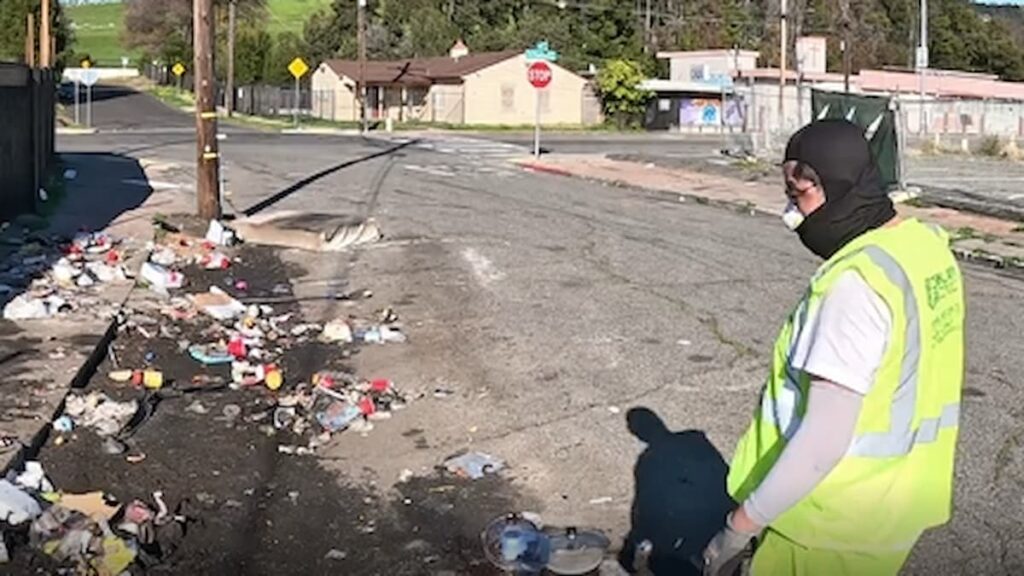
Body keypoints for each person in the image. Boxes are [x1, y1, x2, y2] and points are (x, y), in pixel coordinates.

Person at [701, 119, 965, 576]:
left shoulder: (853, 287)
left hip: (824, 528)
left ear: (839, 186)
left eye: (799, 196)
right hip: (893, 508)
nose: (793, 216)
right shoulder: (925, 247)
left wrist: (737, 528)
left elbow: (822, 440)